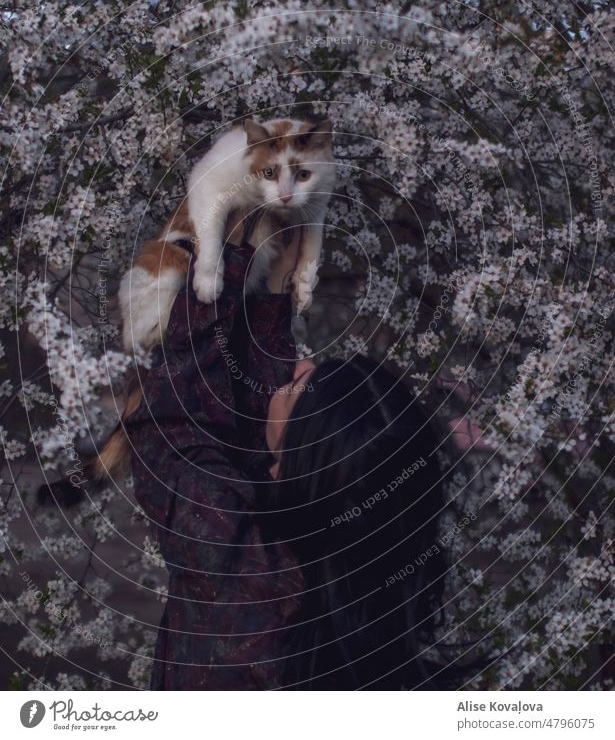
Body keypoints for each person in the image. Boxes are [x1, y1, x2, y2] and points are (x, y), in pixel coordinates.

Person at [125, 209, 461, 690]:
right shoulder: (372, 574)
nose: (303, 366)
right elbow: (254, 434)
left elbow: (175, 425)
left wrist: (226, 260)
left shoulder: (234, 564)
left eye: (312, 384)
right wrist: (272, 293)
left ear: (301, 459)